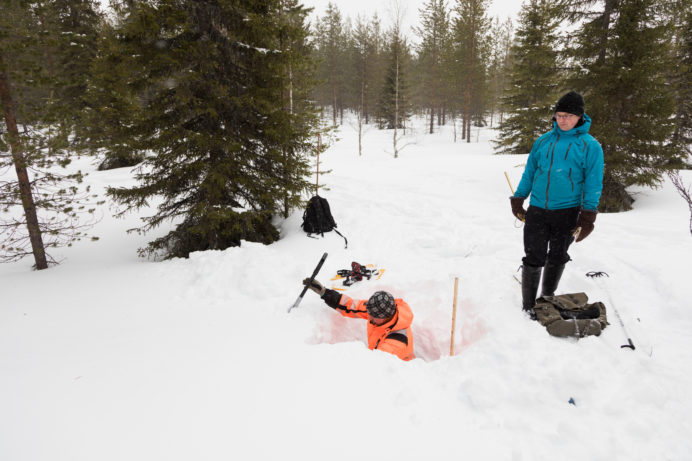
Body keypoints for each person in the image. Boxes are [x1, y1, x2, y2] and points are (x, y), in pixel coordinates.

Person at [509, 91, 604, 318]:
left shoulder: (590, 146)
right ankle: (528, 305)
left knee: (558, 255)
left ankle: (546, 298)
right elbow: (530, 173)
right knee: (533, 255)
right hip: (538, 209)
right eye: (559, 115)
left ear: (580, 117)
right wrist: (519, 198)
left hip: (568, 211)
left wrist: (588, 214)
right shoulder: (543, 142)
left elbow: (593, 182)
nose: (562, 120)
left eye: (568, 116)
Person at [302, 279, 415, 361]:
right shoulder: (378, 311)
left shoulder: (396, 341)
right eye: (369, 313)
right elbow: (351, 306)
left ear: (385, 317)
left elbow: (376, 365)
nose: (368, 317)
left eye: (372, 316)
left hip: (396, 376)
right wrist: (325, 293)